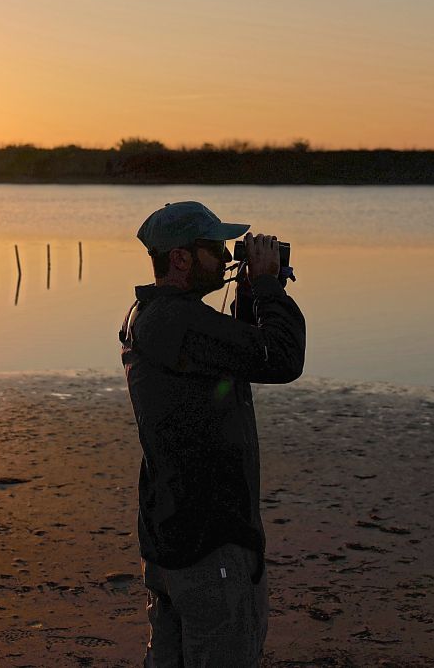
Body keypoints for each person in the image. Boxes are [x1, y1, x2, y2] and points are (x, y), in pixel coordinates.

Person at [118, 200, 306, 667]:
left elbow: (237, 354)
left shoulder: (156, 316)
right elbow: (279, 357)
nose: (226, 258)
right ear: (181, 258)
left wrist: (249, 292)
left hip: (172, 535)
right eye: (216, 248)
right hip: (209, 543)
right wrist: (265, 286)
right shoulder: (180, 323)